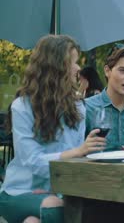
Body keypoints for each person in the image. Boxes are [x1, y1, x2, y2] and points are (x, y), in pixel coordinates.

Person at [0, 35, 106, 223]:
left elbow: (76, 159)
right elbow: (33, 161)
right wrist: (77, 151)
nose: (78, 68)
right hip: (19, 191)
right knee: (53, 206)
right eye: (73, 62)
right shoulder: (22, 106)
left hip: (61, 192)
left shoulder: (77, 107)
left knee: (33, 221)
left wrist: (87, 151)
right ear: (56, 67)